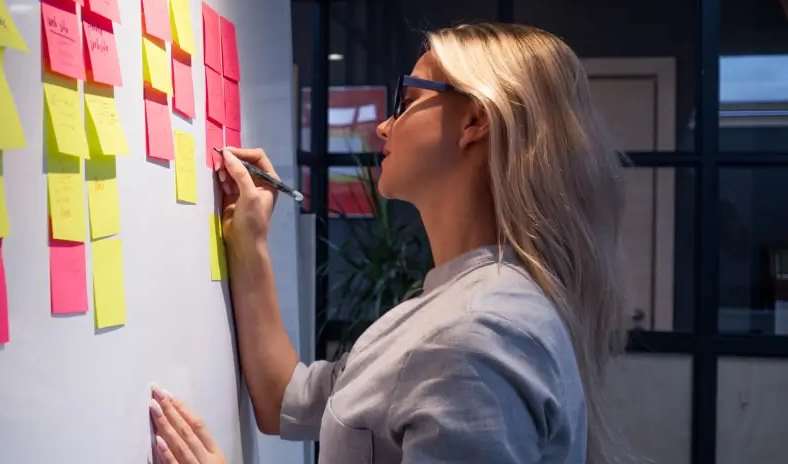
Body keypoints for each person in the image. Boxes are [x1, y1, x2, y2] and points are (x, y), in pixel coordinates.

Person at [148, 23, 635, 464]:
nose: (384, 126)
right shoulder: (453, 309)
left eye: (406, 100)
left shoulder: (477, 335)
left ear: (474, 122)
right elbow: (285, 403)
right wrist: (250, 243)